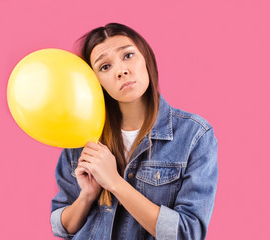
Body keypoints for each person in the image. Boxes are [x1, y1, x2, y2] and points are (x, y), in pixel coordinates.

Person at [50, 22, 218, 240]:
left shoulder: (194, 135)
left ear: (146, 58)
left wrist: (114, 182)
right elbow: (62, 228)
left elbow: (187, 233)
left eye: (128, 55)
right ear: (95, 81)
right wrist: (87, 196)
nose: (121, 71)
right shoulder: (82, 138)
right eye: (105, 67)